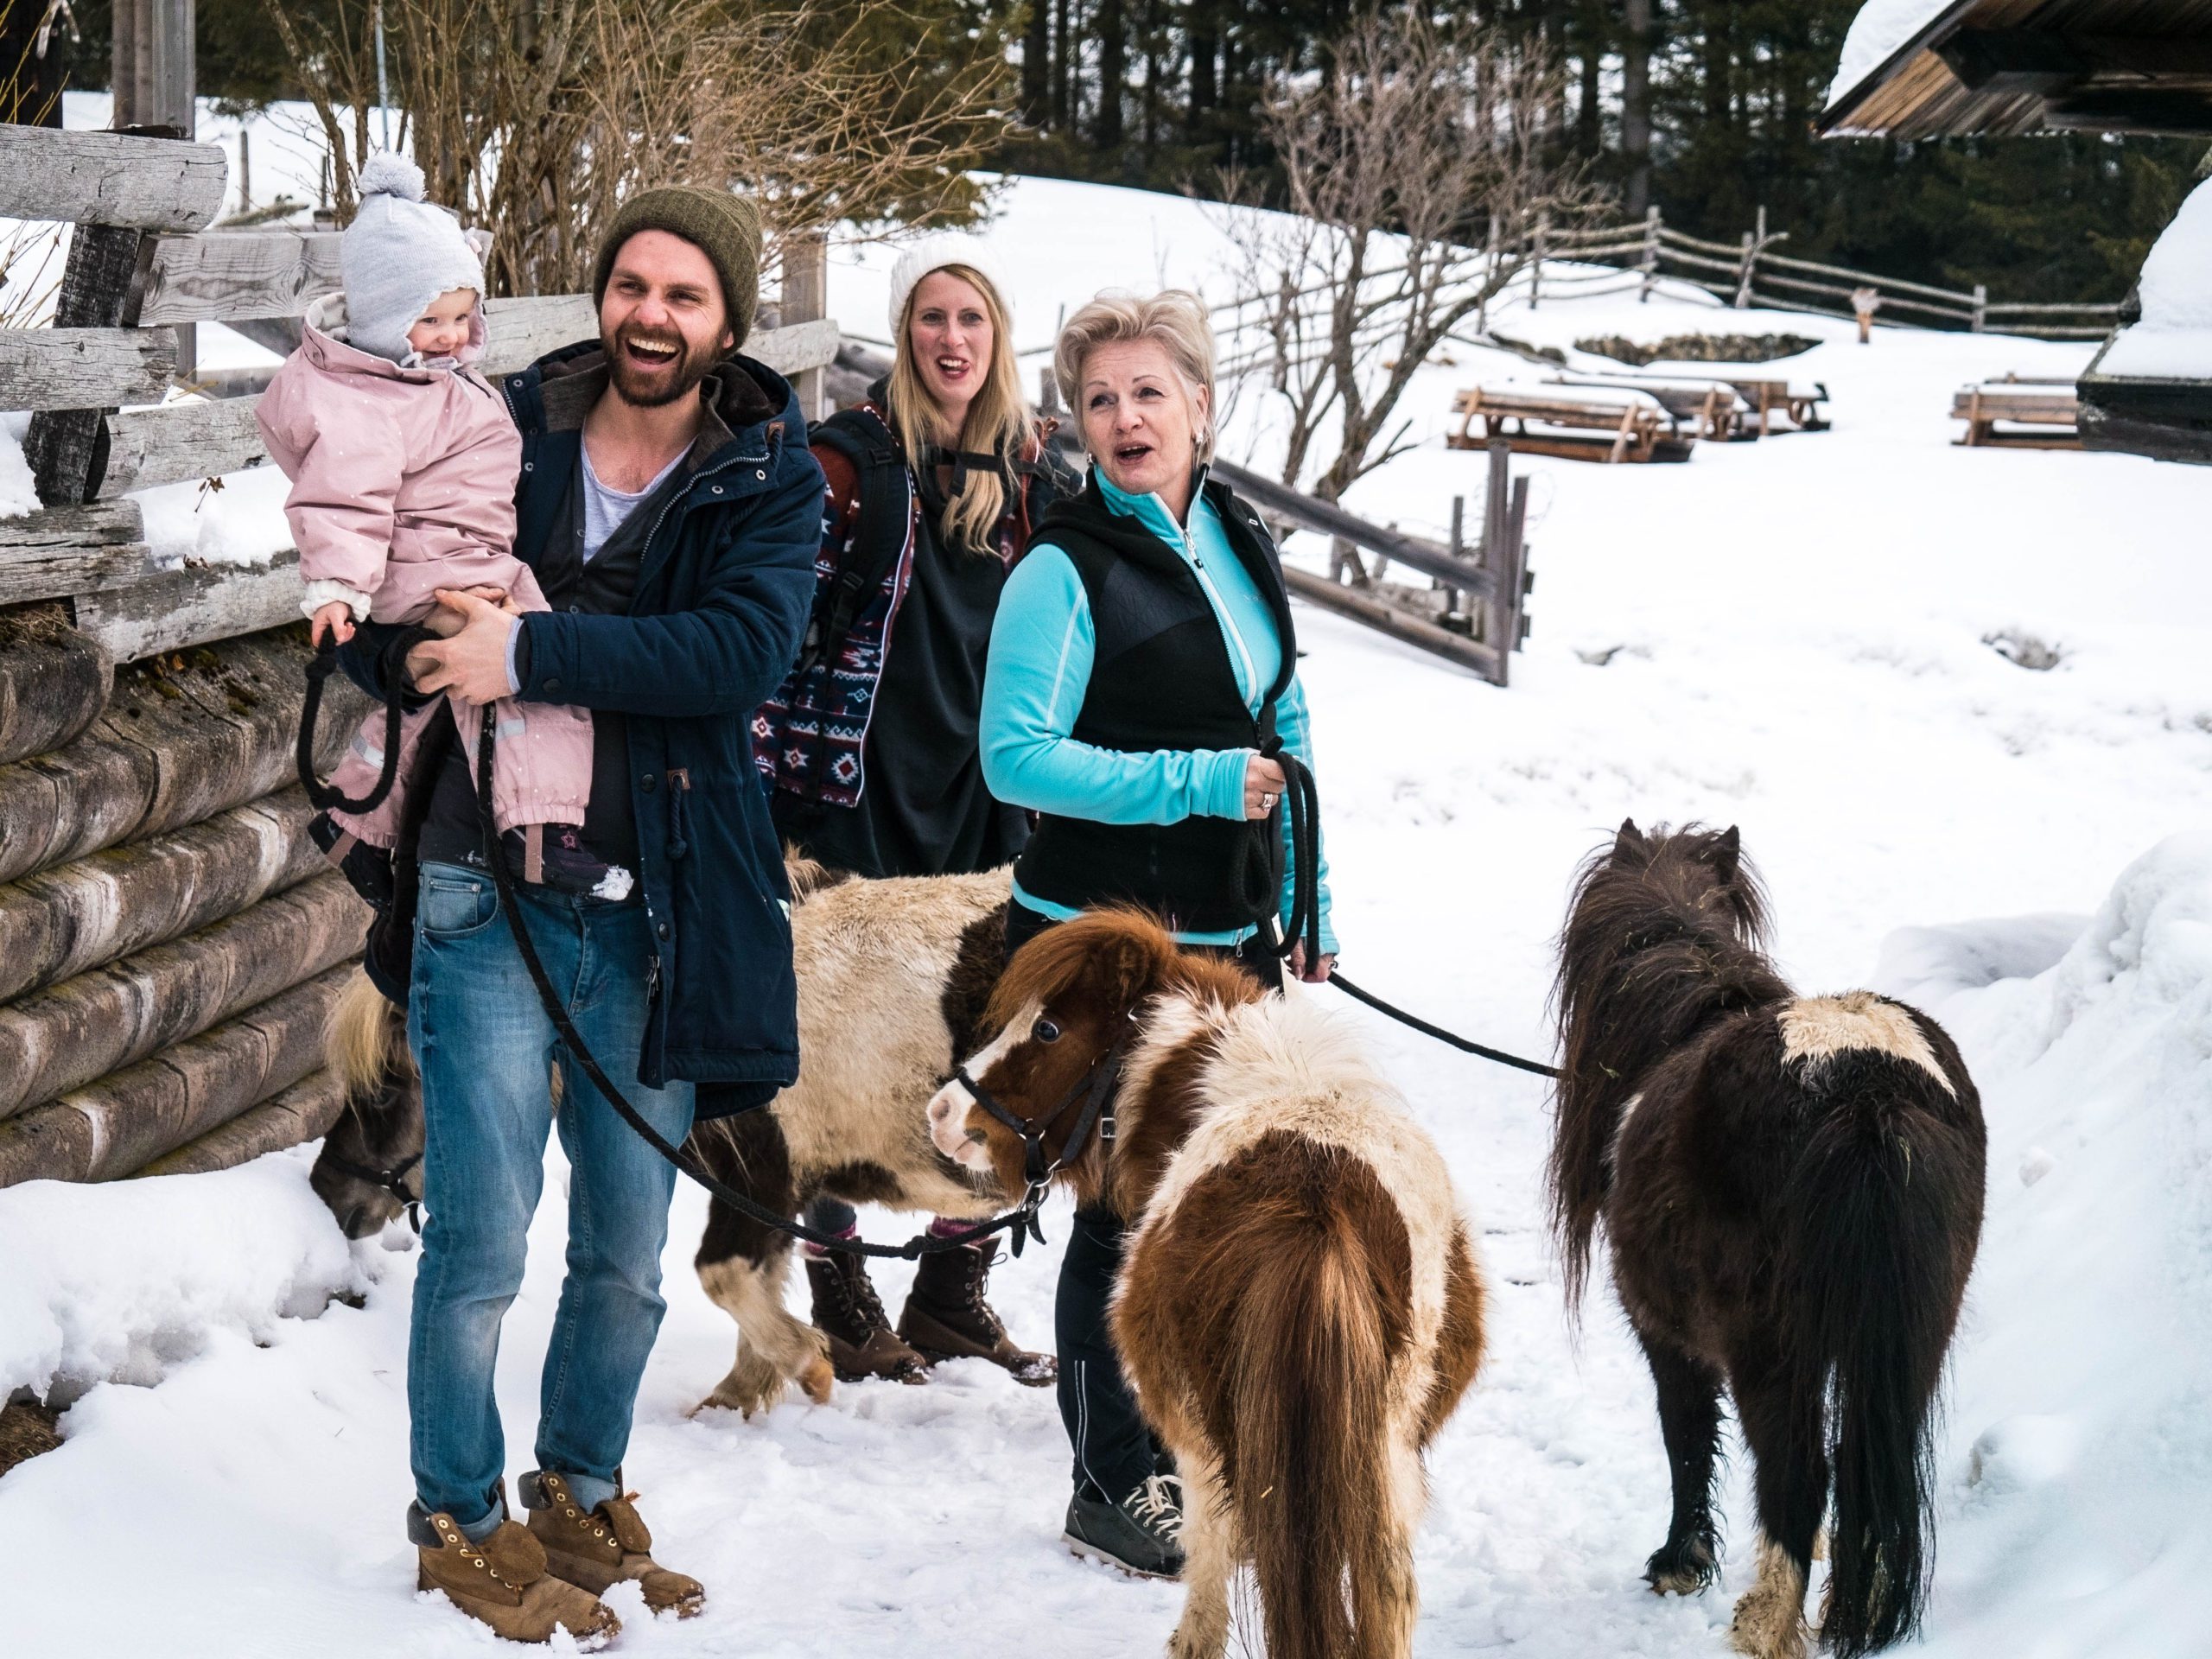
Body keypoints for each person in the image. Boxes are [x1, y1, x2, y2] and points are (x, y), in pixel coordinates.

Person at [337, 185, 822, 1645]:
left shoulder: (767, 478)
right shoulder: (501, 428)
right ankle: (458, 1514)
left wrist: (528, 648)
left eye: (684, 294)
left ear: (727, 321)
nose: (652, 315)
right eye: (632, 284)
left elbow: (739, 656)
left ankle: (580, 1482)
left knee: (625, 1244)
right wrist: (416, 640)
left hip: (660, 908)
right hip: (482, 883)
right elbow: (379, 608)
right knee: (482, 1242)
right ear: (600, 296)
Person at [979, 289, 1339, 1580]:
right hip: (1107, 950)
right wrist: (1192, 779)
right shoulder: (1061, 569)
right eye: (1099, 399)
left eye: (1149, 392)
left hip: (1235, 940)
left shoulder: (1236, 538)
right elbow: (1014, 761)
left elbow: (1283, 731)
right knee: (1120, 1217)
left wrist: (1314, 902)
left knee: (1207, 1204)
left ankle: (1182, 1440)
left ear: (1200, 403)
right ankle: (1108, 1480)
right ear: (1074, 423)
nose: (1126, 418)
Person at [754, 233, 1075, 1388]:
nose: (951, 339)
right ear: (904, 335)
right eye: (931, 317)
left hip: (996, 802)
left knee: (991, 1043)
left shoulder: (1042, 482)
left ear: (999, 338)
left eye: (972, 319)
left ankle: (953, 1287)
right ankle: (839, 1280)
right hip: (859, 792)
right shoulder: (848, 465)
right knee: (840, 1048)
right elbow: (778, 625)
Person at [259, 154, 619, 905]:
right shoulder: (374, 401)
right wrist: (337, 592)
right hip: (435, 567)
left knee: (440, 691)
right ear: (388, 319)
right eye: (431, 319)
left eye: (462, 316)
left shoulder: (421, 382)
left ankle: (354, 824)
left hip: (453, 559)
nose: (454, 335)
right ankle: (539, 832)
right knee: (530, 670)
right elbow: (343, 500)